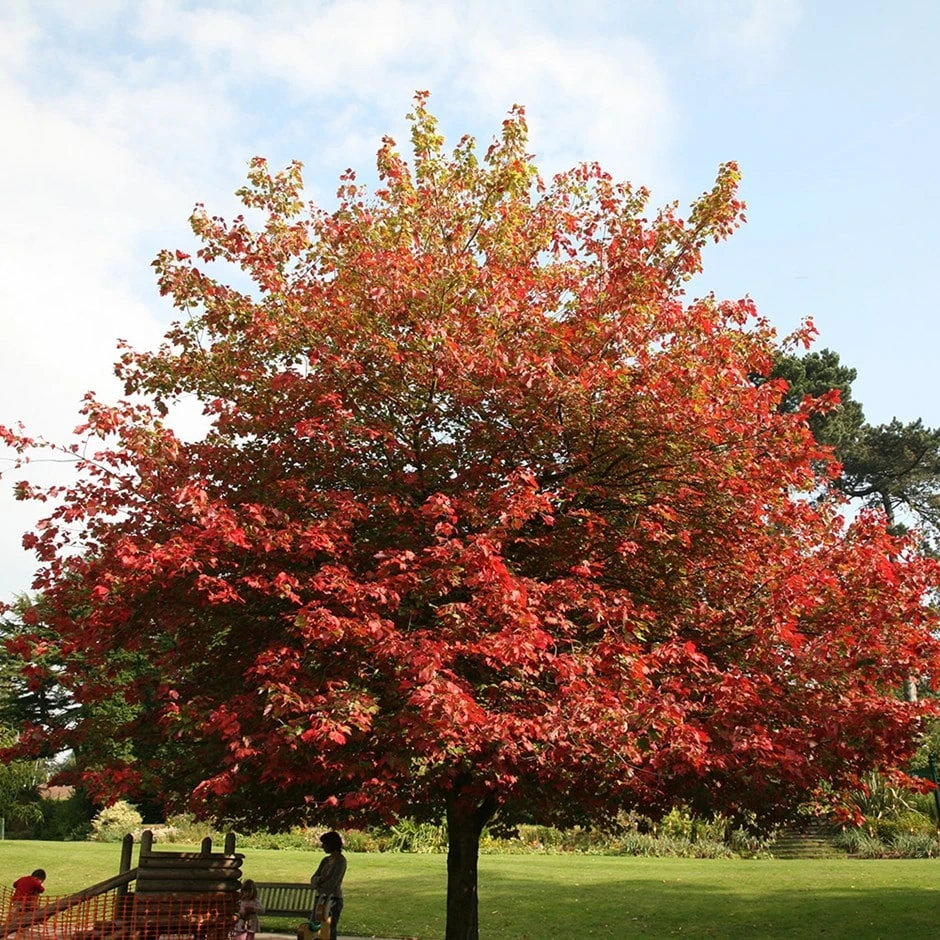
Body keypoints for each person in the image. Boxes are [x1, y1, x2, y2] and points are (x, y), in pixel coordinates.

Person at [309, 831, 346, 940]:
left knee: (329, 929)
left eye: (324, 844)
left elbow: (332, 883)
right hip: (320, 898)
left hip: (333, 899)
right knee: (314, 926)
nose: (322, 846)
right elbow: (313, 879)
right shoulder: (325, 861)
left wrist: (320, 882)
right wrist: (321, 879)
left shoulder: (340, 861)